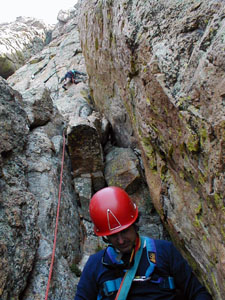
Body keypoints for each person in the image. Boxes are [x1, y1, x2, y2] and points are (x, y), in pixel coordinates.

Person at [74, 186, 212, 300]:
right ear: (105, 237)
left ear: (135, 224)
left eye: (125, 231)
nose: (121, 240)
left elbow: (197, 292)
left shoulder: (165, 251)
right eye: (113, 236)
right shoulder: (96, 265)